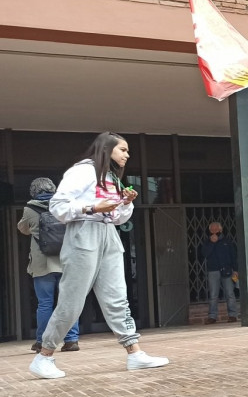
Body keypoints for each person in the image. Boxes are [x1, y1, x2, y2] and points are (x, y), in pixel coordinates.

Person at [29, 132, 170, 379]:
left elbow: (117, 218)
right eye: (123, 149)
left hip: (108, 235)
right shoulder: (82, 171)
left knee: (117, 297)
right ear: (107, 149)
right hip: (83, 234)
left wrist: (125, 203)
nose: (127, 154)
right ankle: (44, 356)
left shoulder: (111, 177)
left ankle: (134, 353)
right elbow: (58, 206)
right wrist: (92, 207)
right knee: (72, 300)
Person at [18, 177, 81, 353]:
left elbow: (23, 229)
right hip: (66, 260)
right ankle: (71, 340)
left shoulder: (29, 209)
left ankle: (41, 341)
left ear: (33, 192)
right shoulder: (62, 205)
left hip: (42, 264)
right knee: (68, 301)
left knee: (45, 303)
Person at [199, 222, 239, 324]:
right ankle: (212, 316)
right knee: (213, 294)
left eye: (216, 230)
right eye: (212, 230)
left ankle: (232, 315)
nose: (214, 232)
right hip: (213, 270)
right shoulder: (207, 242)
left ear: (220, 230)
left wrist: (235, 270)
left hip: (227, 270)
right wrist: (212, 243)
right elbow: (204, 254)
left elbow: (233, 256)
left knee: (229, 293)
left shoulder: (227, 241)